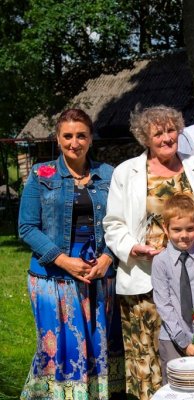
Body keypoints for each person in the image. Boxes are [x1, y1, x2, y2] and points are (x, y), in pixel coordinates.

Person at [103, 105, 194, 399]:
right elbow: (113, 224)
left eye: (171, 130)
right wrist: (132, 247)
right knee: (145, 355)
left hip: (187, 278)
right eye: (158, 133)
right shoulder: (127, 172)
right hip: (143, 277)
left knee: (186, 349)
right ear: (145, 138)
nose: (166, 138)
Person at [18, 109, 125, 399]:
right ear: (57, 138)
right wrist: (64, 261)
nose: (74, 143)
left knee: (96, 347)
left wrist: (108, 257)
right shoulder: (41, 174)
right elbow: (27, 227)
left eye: (81, 136)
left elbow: (123, 222)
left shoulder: (109, 174)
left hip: (99, 277)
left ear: (91, 139)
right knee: (59, 351)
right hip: (53, 278)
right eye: (67, 136)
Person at [151, 194, 194, 384]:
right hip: (172, 339)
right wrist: (184, 342)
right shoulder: (160, 262)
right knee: (175, 388)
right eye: (177, 229)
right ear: (166, 228)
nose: (184, 235)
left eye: (190, 229)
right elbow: (164, 305)